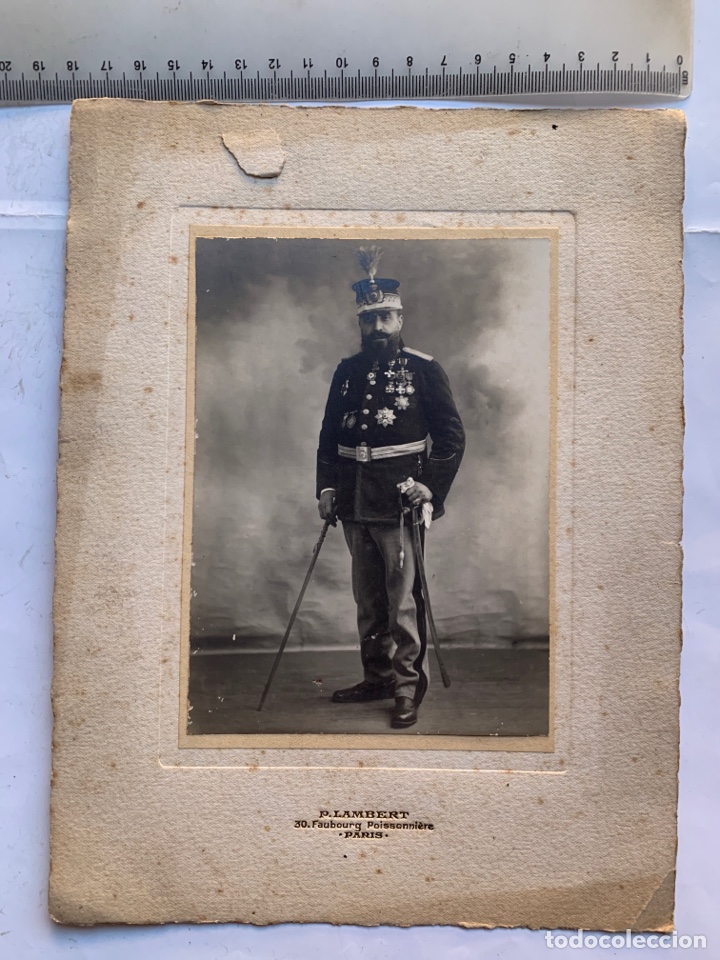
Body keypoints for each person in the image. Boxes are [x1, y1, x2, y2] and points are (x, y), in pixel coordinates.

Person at [316, 248, 465, 729]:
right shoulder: (347, 371)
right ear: (360, 323)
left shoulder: (423, 369)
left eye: (385, 317)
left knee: (402, 602)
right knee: (368, 600)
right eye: (369, 319)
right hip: (354, 500)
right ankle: (376, 677)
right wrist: (326, 488)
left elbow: (450, 437)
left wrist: (429, 487)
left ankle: (406, 688)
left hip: (399, 501)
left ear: (400, 316)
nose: (377, 328)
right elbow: (328, 437)